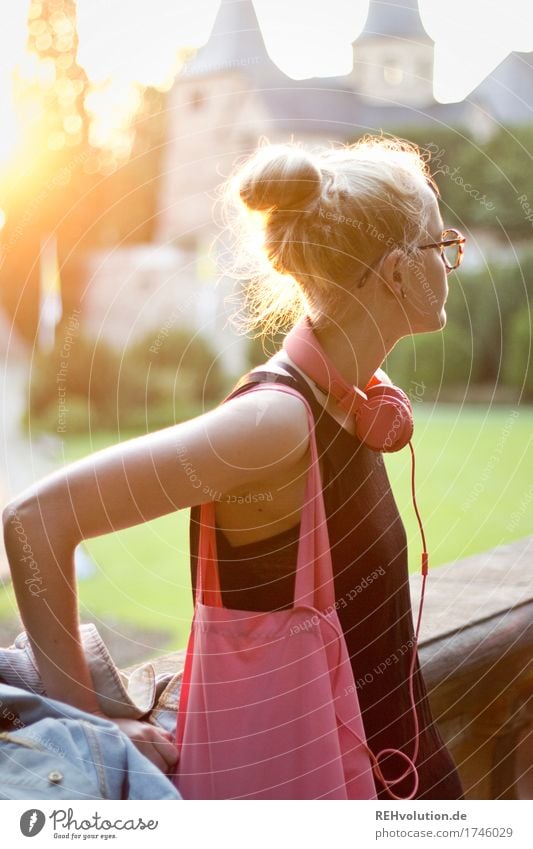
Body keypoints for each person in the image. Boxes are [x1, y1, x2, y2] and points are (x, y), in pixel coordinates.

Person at [3, 133, 465, 799]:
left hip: (394, 774)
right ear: (395, 270)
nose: (450, 261)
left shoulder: (355, 401)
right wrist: (93, 730)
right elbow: (33, 520)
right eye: (440, 245)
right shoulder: (276, 423)